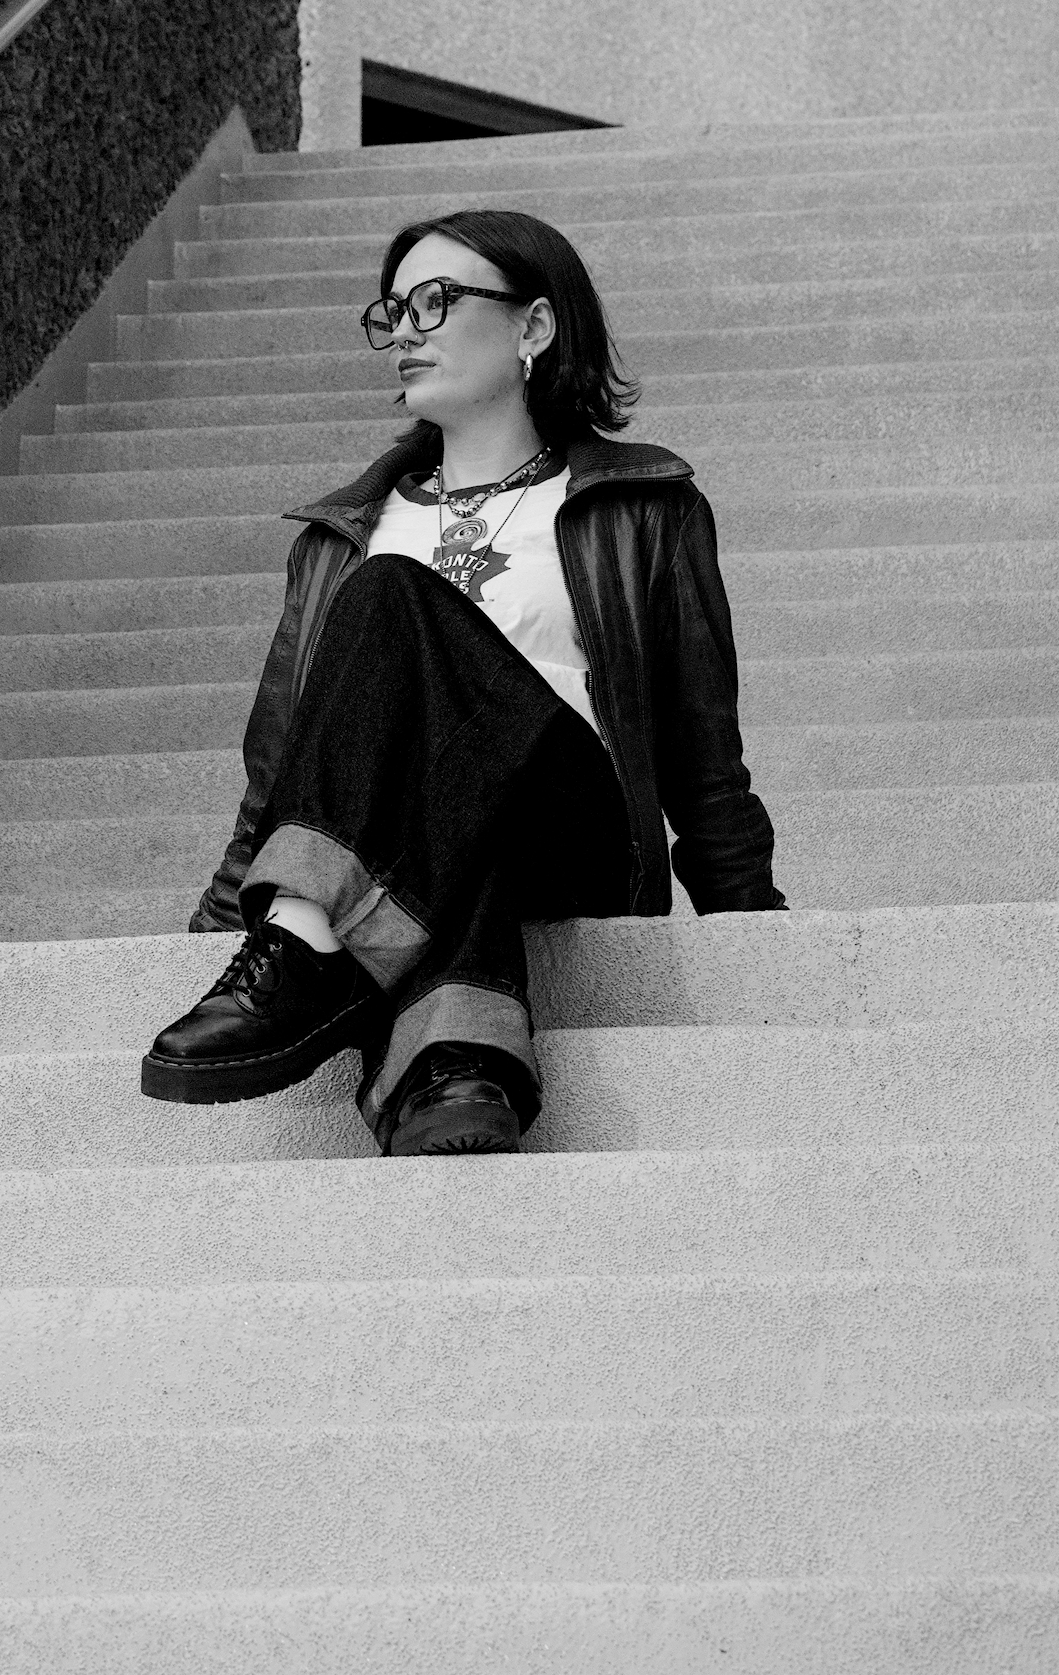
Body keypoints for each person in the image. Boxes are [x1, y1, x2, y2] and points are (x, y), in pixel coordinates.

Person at [140, 205, 785, 1154]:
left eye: (436, 302)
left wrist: (758, 937)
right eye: (393, 312)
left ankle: (315, 940)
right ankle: (457, 1068)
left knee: (394, 594)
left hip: (573, 828)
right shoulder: (342, 537)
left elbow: (702, 753)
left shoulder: (641, 506)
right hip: (429, 846)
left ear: (535, 325)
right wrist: (218, 927)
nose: (406, 330)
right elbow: (286, 763)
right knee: (417, 708)